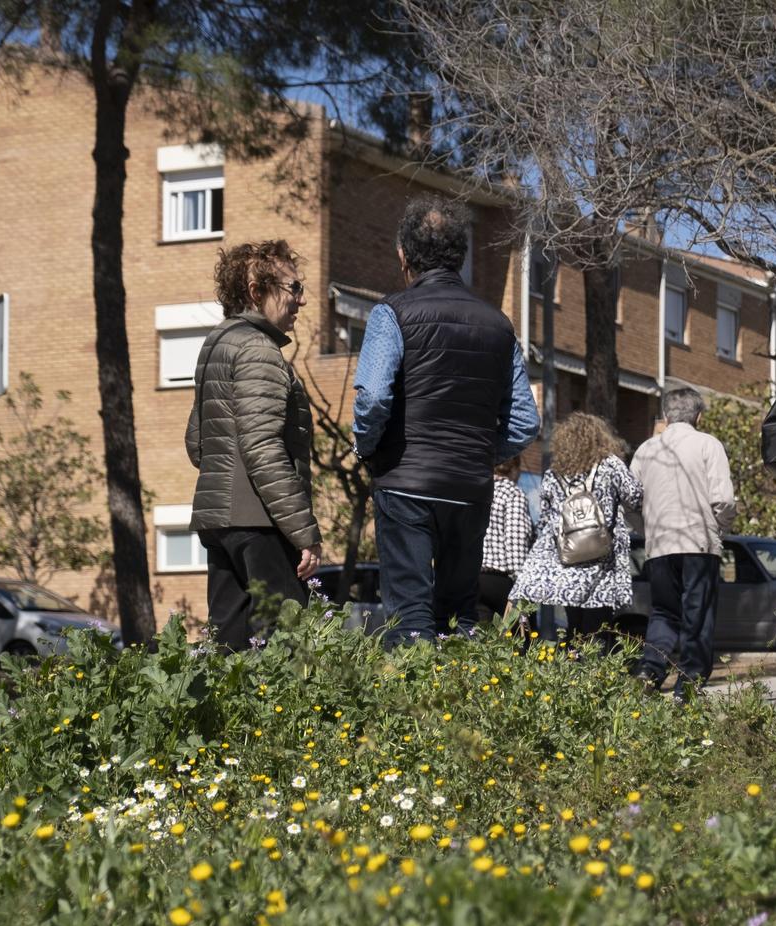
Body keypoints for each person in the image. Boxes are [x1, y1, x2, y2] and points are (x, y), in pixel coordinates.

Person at [354, 196, 539, 645]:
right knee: (460, 613)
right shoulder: (499, 325)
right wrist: (477, 452)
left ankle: (415, 708)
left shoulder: (391, 313)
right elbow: (524, 422)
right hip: (469, 488)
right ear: (461, 257)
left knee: (410, 609)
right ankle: (465, 704)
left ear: (403, 255)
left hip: (405, 483)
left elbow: (374, 396)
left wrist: (370, 449)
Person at [185, 239, 323, 651]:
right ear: (255, 290)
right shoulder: (258, 350)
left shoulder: (216, 346)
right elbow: (262, 448)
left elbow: (197, 443)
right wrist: (304, 533)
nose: (300, 300)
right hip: (260, 523)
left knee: (230, 648)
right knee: (289, 648)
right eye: (292, 288)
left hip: (218, 522)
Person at [630, 386, 736, 699]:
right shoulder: (708, 444)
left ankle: (650, 671)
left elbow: (630, 500)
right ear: (699, 415)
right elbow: (724, 500)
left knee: (664, 612)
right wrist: (717, 528)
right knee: (697, 614)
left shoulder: (646, 450)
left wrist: (646, 527)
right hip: (698, 542)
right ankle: (688, 684)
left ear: (665, 415)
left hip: (659, 544)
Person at [513, 413, 643, 639]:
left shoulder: (555, 472)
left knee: (574, 626)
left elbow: (545, 517)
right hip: (602, 559)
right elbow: (635, 495)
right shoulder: (610, 465)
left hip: (569, 559)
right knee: (599, 627)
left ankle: (574, 669)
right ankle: (596, 670)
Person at [478, 455, 533, 627]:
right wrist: (520, 588)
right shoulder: (512, 493)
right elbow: (516, 540)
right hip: (500, 580)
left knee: (479, 638)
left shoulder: (477, 489)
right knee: (514, 639)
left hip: (473, 576)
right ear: (515, 469)